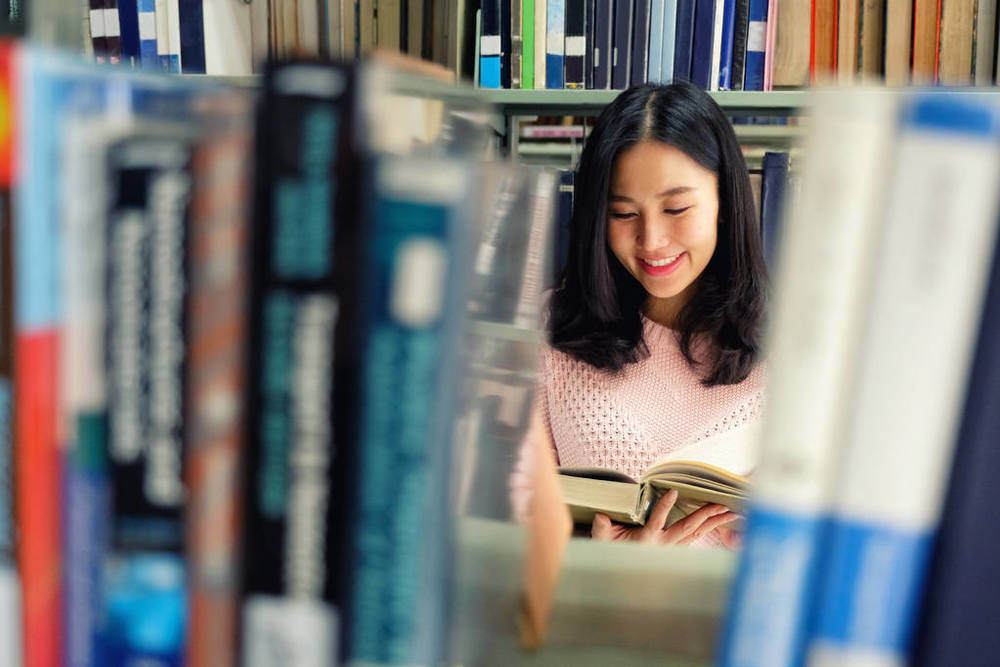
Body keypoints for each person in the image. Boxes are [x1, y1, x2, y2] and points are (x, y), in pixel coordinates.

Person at [510, 81, 768, 548]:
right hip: (592, 613)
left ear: (726, 202)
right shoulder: (547, 331)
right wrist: (599, 560)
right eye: (624, 214)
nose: (651, 241)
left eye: (676, 208)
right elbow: (510, 525)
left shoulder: (792, 351)